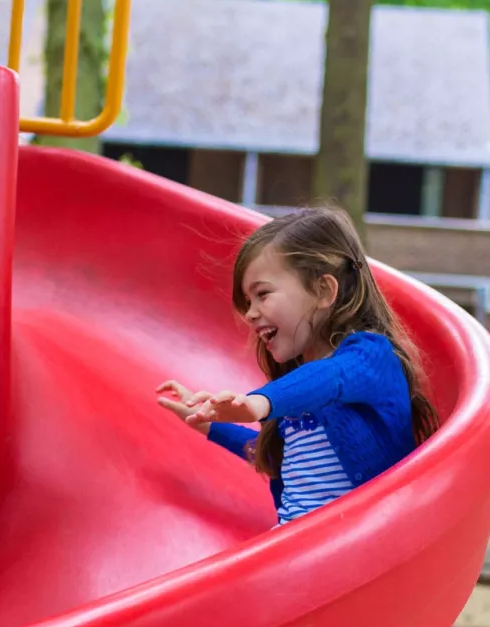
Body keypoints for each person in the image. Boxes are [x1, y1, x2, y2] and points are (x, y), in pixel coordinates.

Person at [157, 206, 438, 524]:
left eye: (262, 294)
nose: (250, 313)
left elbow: (333, 377)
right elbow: (273, 457)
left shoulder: (370, 357)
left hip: (355, 552)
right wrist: (206, 422)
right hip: (298, 551)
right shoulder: (298, 391)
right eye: (247, 303)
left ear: (323, 291)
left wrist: (259, 403)